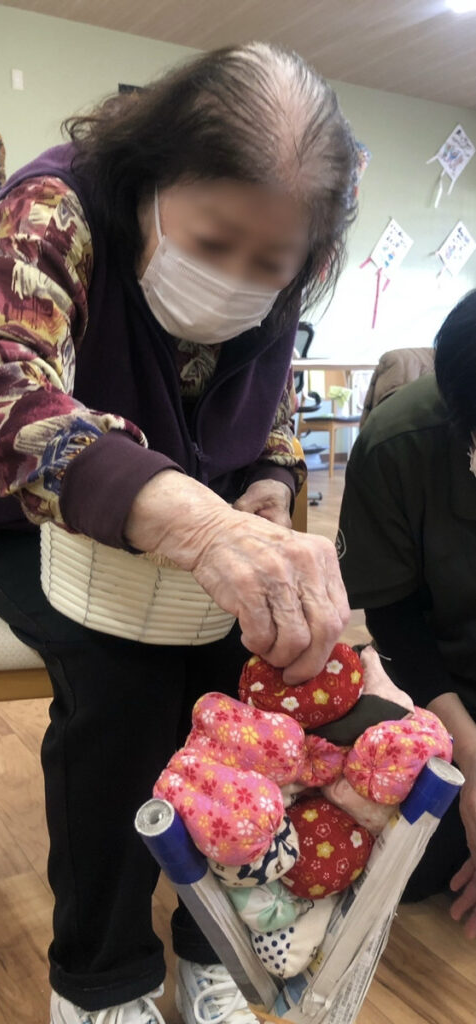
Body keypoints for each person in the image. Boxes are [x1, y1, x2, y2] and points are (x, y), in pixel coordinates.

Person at [0, 44, 356, 1024]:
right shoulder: (57, 210)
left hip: (188, 524)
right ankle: (101, 979)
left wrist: (267, 488)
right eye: (211, 243)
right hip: (19, 519)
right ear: (151, 182)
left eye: (268, 265)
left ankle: (216, 945)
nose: (239, 279)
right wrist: (185, 517)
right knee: (123, 679)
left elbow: (272, 411)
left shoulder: (286, 255)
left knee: (253, 675)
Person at [338, 291, 476, 943]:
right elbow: (394, 616)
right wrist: (469, 751)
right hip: (445, 676)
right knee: (413, 862)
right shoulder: (397, 443)